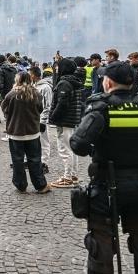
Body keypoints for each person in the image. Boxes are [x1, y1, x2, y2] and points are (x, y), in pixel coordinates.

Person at [70, 61, 138, 274]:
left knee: (100, 244)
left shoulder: (101, 106)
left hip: (106, 186)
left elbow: (78, 144)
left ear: (108, 82)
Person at [1, 71, 50, 193]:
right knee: (35, 159)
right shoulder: (36, 94)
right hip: (33, 132)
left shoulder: (11, 95)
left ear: (17, 80)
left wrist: (11, 117)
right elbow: (40, 109)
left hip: (15, 133)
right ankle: (40, 185)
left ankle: (20, 185)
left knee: (17, 160)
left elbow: (4, 109)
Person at [49, 58, 84, 188]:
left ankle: (67, 177)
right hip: (72, 119)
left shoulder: (64, 83)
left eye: (58, 66)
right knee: (71, 149)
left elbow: (62, 103)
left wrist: (53, 117)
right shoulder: (75, 81)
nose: (56, 69)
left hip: (64, 120)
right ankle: (74, 175)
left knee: (64, 149)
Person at [30, 66, 53, 174]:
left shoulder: (45, 88)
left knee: (44, 142)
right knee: (34, 141)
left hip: (41, 119)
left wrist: (43, 121)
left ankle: (44, 163)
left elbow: (48, 106)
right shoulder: (34, 86)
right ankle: (35, 161)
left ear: (33, 75)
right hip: (33, 119)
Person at [0, 55, 17, 124]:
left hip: (4, 93)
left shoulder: (0, 70)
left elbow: (0, 85)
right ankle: (12, 125)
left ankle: (9, 127)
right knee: (12, 109)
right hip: (13, 91)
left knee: (5, 109)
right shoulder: (14, 68)